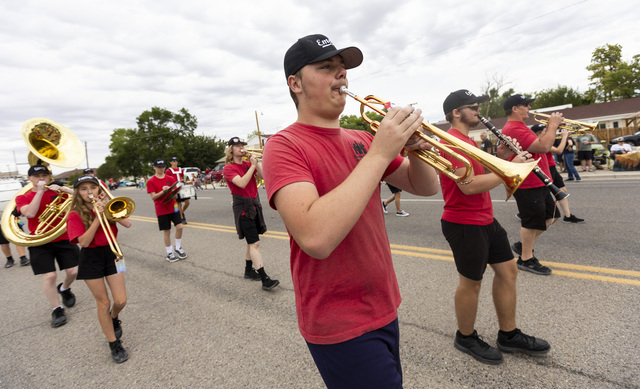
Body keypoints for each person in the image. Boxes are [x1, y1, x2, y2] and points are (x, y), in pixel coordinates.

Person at [263, 34, 439, 388]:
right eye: (326, 68)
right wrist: (380, 153)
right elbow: (315, 237)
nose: (340, 76)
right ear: (295, 83)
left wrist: (416, 149)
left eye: (342, 69)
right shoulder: (284, 146)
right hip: (338, 319)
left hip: (383, 302)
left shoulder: (360, 138)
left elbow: (425, 186)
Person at [439, 89, 550, 365]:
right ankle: (465, 337)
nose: (479, 111)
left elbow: (482, 174)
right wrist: (509, 167)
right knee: (471, 283)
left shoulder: (468, 140)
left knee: (508, 270)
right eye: (473, 107)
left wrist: (501, 155)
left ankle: (508, 335)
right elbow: (468, 187)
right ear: (457, 113)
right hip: (463, 221)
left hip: (485, 218)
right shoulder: (452, 142)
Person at [66, 175, 131, 363]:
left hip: (113, 253)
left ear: (99, 190)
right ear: (78, 193)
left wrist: (110, 207)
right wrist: (97, 218)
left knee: (121, 300)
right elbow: (84, 242)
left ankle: (114, 317)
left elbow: (128, 223)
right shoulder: (74, 215)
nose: (89, 192)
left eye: (93, 188)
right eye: (84, 189)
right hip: (90, 258)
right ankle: (114, 344)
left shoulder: (107, 205)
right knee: (103, 302)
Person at [500, 95, 562, 276]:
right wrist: (553, 125)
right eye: (525, 105)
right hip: (528, 182)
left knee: (552, 216)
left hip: (539, 180)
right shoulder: (513, 128)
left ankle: (523, 245)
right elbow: (544, 147)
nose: (529, 108)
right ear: (514, 108)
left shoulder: (520, 127)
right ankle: (526, 259)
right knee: (531, 221)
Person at [15, 164, 79, 327]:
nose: (41, 178)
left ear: (49, 177)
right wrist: (40, 191)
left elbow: (82, 200)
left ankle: (64, 289)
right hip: (40, 241)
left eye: (45, 175)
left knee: (74, 271)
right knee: (49, 276)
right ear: (30, 179)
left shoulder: (57, 192)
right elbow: (29, 213)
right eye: (37, 176)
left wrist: (67, 191)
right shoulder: (23, 197)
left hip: (63, 237)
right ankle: (57, 309)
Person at [223, 137, 279, 291]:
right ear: (231, 150)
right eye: (238, 146)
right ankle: (264, 279)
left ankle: (248, 271)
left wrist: (256, 163)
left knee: (250, 241)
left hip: (254, 205)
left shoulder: (249, 164)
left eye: (243, 146)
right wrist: (251, 166)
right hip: (242, 208)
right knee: (255, 243)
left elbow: (263, 177)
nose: (241, 148)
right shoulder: (228, 168)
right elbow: (241, 183)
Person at [532, 124, 585, 224]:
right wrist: (564, 137)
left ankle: (568, 216)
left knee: (562, 190)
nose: (547, 132)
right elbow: (559, 151)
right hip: (546, 168)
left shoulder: (545, 140)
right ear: (538, 133)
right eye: (544, 131)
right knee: (543, 193)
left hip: (551, 166)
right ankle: (526, 212)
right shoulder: (540, 142)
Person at [146, 158, 187, 262]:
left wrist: (174, 194)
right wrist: (163, 191)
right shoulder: (151, 181)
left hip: (174, 206)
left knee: (180, 226)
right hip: (161, 209)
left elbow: (174, 192)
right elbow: (153, 197)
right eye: (159, 167)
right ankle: (169, 252)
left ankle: (178, 248)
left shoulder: (170, 178)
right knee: (167, 231)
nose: (161, 169)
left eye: (163, 167)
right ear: (154, 167)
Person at [165, 157, 190, 224]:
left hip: (182, 187)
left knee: (187, 202)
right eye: (174, 161)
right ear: (171, 162)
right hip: (174, 188)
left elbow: (183, 176)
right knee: (178, 204)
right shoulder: (168, 170)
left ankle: (180, 213)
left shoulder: (180, 169)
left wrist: (184, 179)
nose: (176, 162)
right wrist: (170, 188)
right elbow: (166, 179)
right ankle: (181, 218)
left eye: (176, 161)